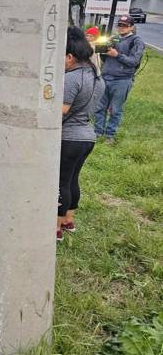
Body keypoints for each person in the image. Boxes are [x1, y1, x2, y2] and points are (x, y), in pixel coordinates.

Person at [58, 27, 105, 241]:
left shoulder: (72, 79)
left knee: (61, 183)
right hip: (88, 136)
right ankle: (69, 220)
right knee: (73, 179)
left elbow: (62, 112)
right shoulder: (97, 77)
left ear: (70, 56)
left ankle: (56, 229)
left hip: (70, 138)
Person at [93, 15, 145, 143]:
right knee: (100, 107)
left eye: (125, 25)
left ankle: (110, 135)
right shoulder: (114, 38)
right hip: (105, 77)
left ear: (131, 27)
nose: (121, 28)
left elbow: (134, 61)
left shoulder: (136, 41)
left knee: (115, 109)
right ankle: (97, 132)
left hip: (122, 79)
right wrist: (103, 50)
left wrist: (117, 55)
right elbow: (104, 57)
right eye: (120, 25)